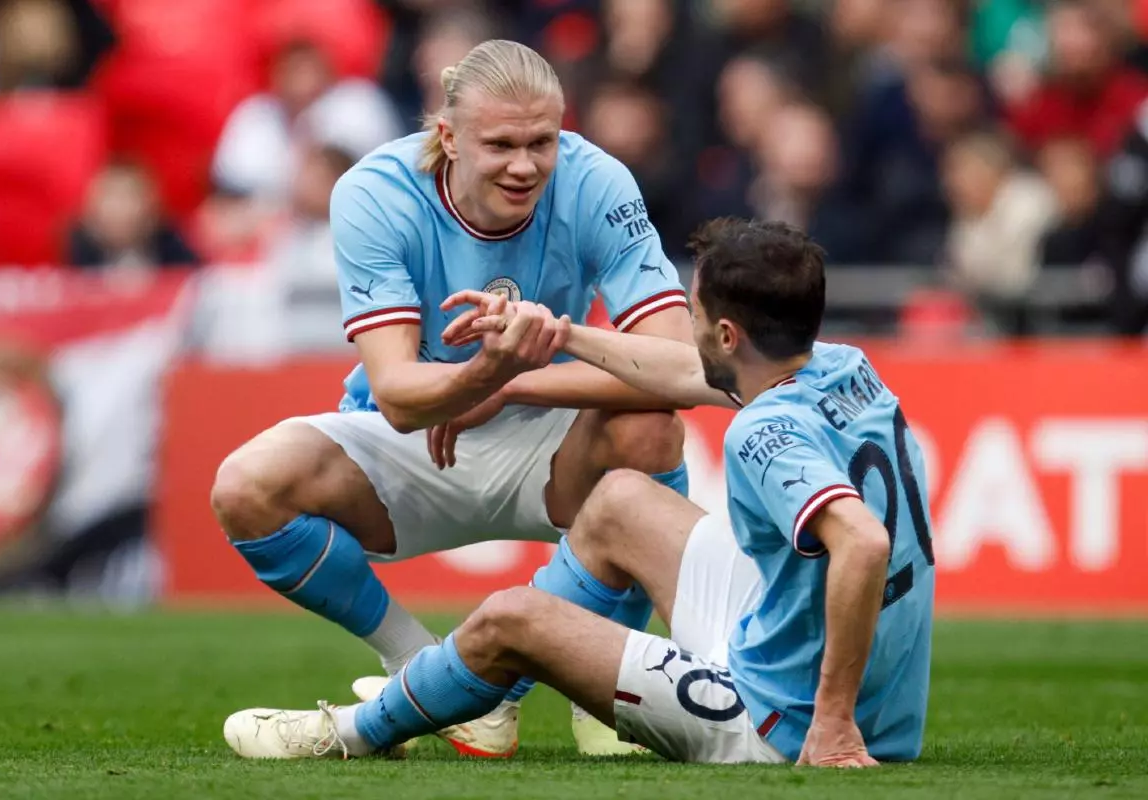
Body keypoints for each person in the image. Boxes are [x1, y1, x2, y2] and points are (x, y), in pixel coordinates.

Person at [222, 218, 935, 767]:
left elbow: (862, 542)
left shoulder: (762, 430)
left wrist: (832, 723)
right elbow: (676, 369)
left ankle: (350, 733)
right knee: (621, 498)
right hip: (857, 687)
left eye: (693, 317)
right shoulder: (844, 365)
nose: (686, 333)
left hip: (778, 717)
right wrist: (548, 345)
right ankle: (475, 698)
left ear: (726, 334)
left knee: (511, 618)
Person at [210, 39, 693, 759]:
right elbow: (399, 395)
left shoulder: (597, 182)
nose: (525, 165)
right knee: (246, 487)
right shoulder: (375, 191)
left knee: (650, 430)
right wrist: (484, 374)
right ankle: (415, 661)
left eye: (542, 142)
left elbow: (681, 365)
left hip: (547, 429)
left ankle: (599, 685)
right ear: (449, 136)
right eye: (500, 145)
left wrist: (509, 381)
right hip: (411, 435)